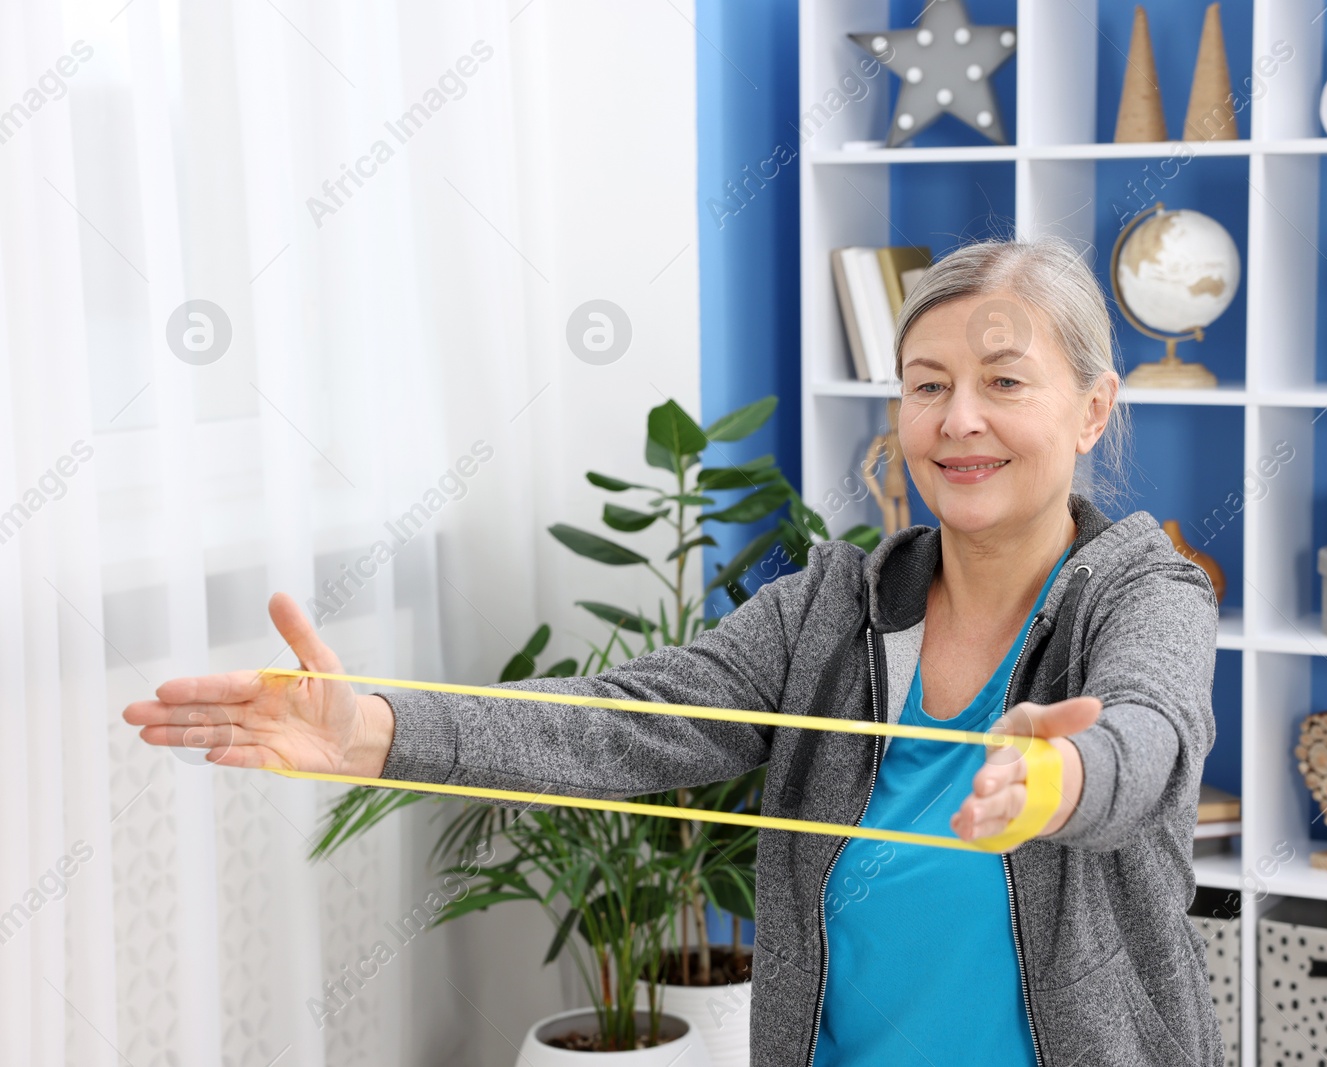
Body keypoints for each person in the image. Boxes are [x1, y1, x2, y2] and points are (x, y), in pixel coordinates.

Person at [125, 235, 1224, 1067]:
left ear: (1091, 410)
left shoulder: (1140, 595)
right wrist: (383, 725)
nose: (957, 418)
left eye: (1002, 380)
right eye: (926, 383)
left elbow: (1148, 733)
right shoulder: (831, 610)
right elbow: (627, 716)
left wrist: (1061, 774)